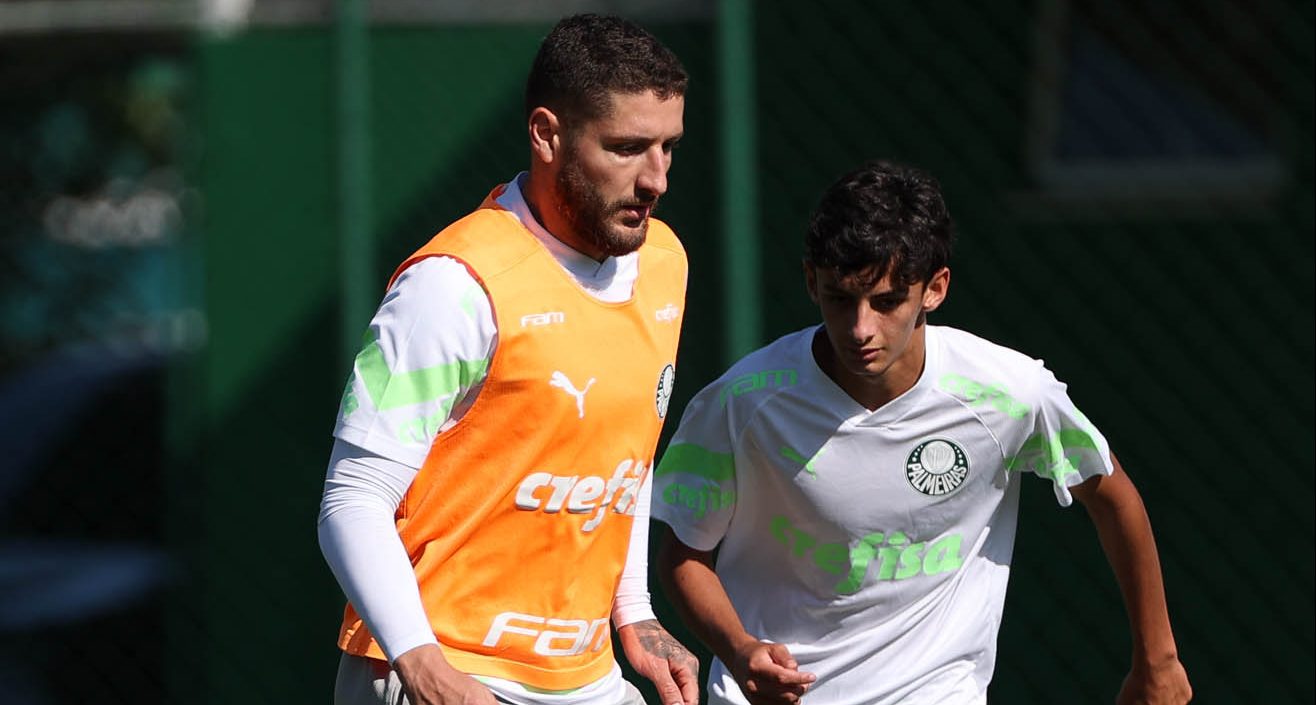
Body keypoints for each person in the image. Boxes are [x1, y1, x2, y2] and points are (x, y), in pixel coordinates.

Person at [652, 160, 1193, 705]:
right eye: (841, 299)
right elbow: (683, 552)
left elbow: (1112, 497)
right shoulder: (742, 401)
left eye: (886, 302)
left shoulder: (1011, 394)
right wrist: (740, 647)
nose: (862, 328)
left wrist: (1158, 660)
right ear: (811, 281)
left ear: (934, 289)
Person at [318, 14, 699, 705]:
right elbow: (352, 501)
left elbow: (624, 455)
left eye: (668, 148)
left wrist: (635, 608)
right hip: (449, 667)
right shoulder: (453, 284)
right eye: (627, 147)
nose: (656, 179)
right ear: (547, 134)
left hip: (586, 676)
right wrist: (424, 667)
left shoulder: (664, 262)